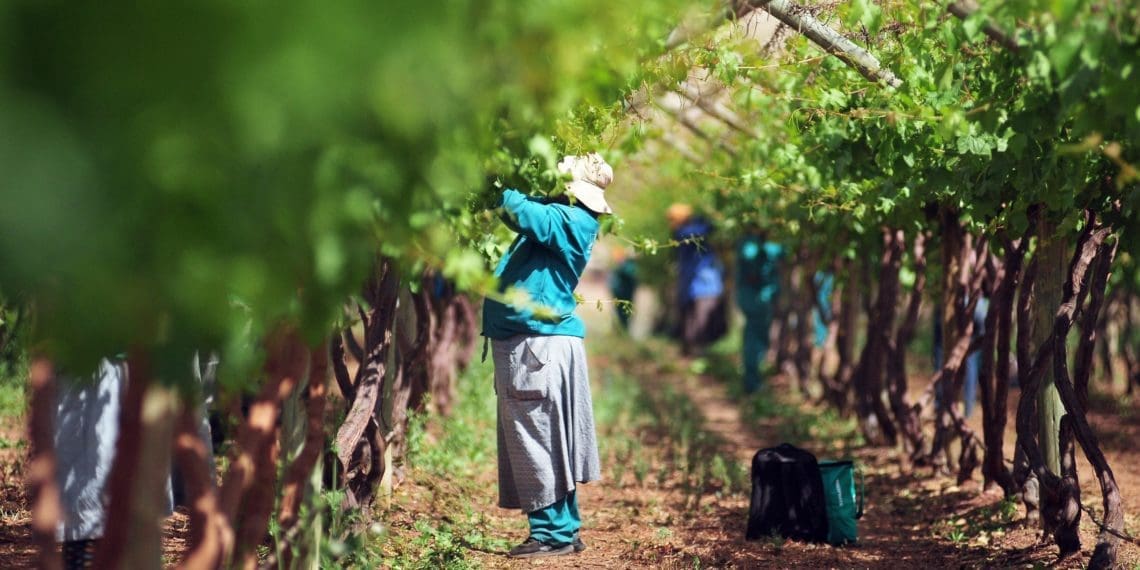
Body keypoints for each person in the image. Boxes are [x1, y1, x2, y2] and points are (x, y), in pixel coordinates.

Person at [481, 153, 609, 559]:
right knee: (549, 436)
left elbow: (516, 209)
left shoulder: (568, 220)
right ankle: (563, 528)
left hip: (536, 347)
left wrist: (489, 173)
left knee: (535, 436)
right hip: (542, 345)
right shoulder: (571, 220)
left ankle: (552, 533)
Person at [667, 203, 725, 356]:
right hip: (700, 285)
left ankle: (692, 352)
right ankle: (695, 353)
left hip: (697, 284)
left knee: (696, 318)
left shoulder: (682, 232)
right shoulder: (683, 233)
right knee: (700, 319)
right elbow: (706, 229)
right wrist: (708, 217)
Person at [735, 227, 784, 393]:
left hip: (760, 298)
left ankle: (754, 380)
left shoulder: (759, 243)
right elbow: (750, 254)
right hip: (754, 300)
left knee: (759, 340)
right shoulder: (750, 243)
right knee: (754, 341)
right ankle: (752, 382)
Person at [607, 246, 637, 332]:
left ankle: (622, 329)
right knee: (620, 313)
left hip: (624, 293)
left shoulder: (627, 265)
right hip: (621, 293)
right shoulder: (625, 265)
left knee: (624, 313)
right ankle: (620, 330)